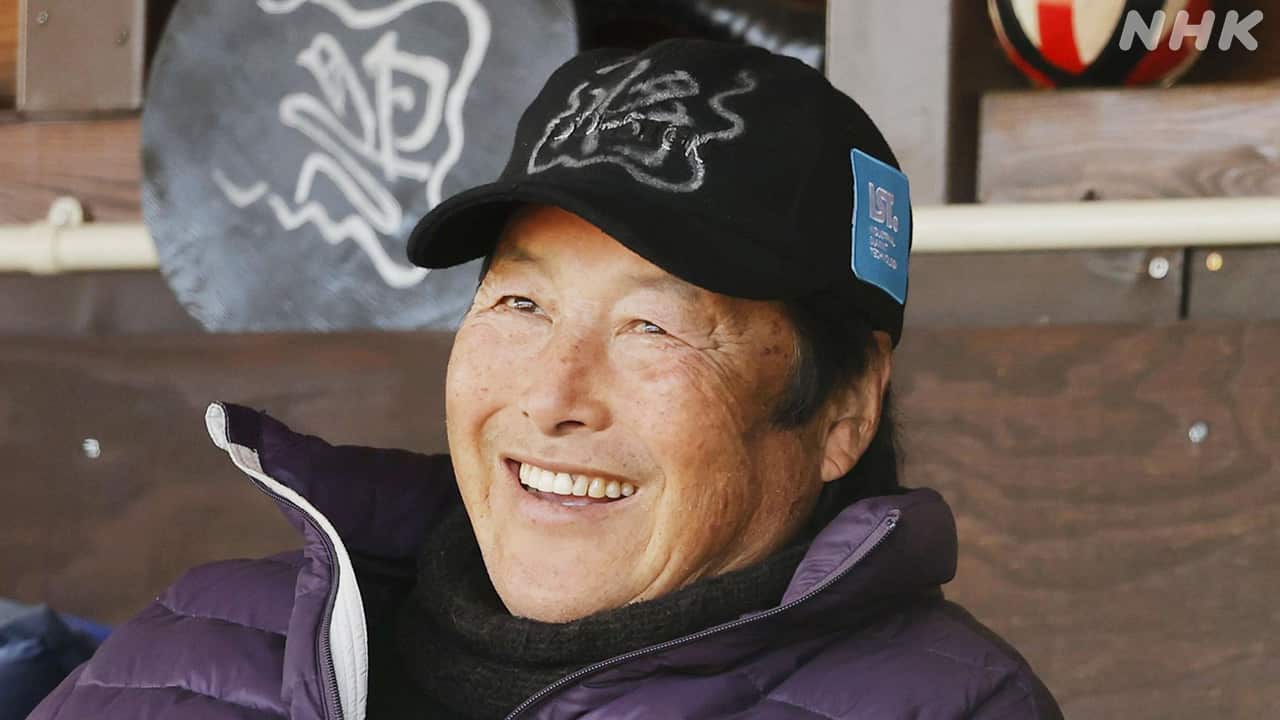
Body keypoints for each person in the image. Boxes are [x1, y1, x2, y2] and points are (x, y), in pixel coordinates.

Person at [30, 39, 1062, 719]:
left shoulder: (958, 708)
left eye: (652, 326)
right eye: (520, 303)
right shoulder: (188, 646)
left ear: (843, 409)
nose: (554, 397)